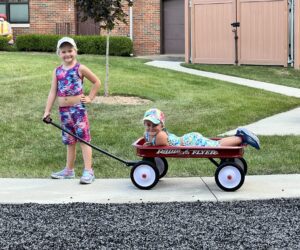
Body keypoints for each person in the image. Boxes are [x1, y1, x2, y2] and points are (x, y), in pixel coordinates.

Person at [43, 37, 101, 184]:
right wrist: (47, 111)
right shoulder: (57, 71)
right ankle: (69, 170)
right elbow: (52, 92)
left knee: (84, 139)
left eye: (70, 51)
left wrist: (90, 97)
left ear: (75, 51)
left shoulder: (80, 68)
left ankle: (89, 171)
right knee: (69, 141)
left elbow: (97, 82)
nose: (67, 54)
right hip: (64, 112)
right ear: (58, 53)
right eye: (63, 52)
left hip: (78, 110)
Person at [142, 108, 260, 149]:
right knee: (215, 143)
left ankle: (240, 137)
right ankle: (238, 136)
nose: (151, 128)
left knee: (216, 146)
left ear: (162, 126)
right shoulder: (148, 134)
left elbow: (159, 146)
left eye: (154, 125)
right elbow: (149, 141)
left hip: (191, 141)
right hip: (189, 139)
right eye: (148, 124)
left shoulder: (161, 135)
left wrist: (149, 144)